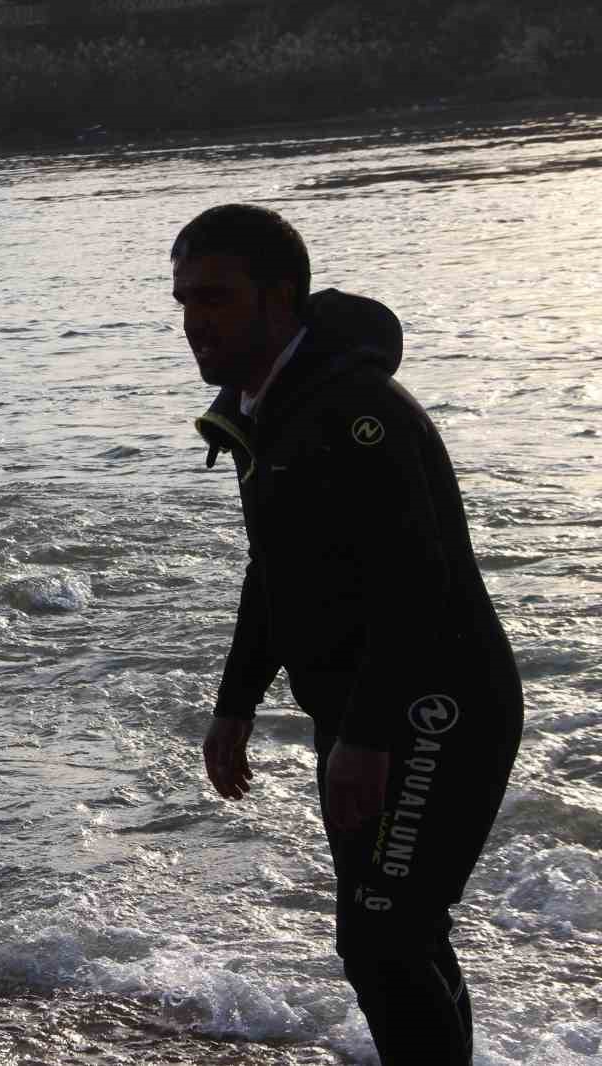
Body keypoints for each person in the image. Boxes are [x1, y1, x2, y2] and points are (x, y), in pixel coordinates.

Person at [170, 204, 522, 1066]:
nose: (193, 322)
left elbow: (419, 584)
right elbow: (275, 570)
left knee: (385, 939)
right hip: (368, 713)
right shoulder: (266, 408)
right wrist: (234, 703)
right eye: (182, 302)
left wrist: (367, 738)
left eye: (214, 297)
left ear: (279, 296)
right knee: (393, 937)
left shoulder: (358, 412)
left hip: (436, 707)